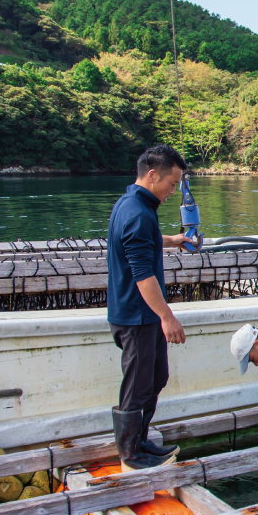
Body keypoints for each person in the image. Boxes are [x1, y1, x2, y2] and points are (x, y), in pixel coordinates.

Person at [108, 144, 195, 470]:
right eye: (172, 184)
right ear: (153, 174)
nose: (174, 191)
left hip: (140, 314)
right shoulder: (137, 214)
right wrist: (167, 316)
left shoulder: (133, 205)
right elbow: (143, 276)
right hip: (138, 316)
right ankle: (130, 454)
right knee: (137, 385)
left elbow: (142, 240)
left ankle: (141, 441)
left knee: (155, 378)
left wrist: (171, 240)